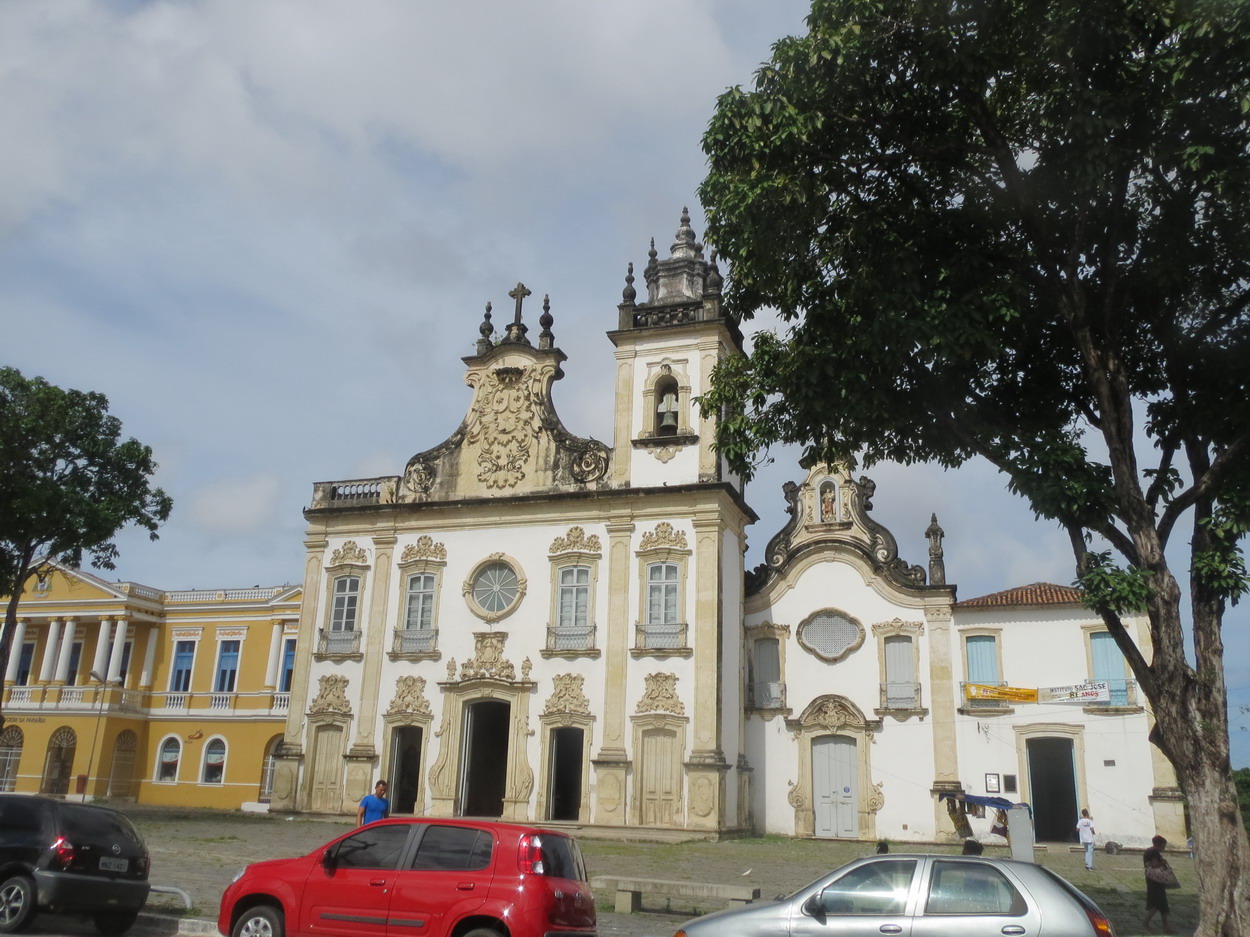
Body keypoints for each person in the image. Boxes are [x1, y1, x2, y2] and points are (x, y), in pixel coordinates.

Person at [1142, 835, 1172, 933]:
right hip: (1156, 880)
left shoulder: (1148, 851)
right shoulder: (1154, 852)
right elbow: (1154, 865)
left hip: (1152, 879)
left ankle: (1166, 927)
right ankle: (1146, 922)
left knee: (1163, 904)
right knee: (1158, 903)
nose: (1164, 848)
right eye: (1164, 845)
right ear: (1160, 844)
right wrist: (1163, 862)